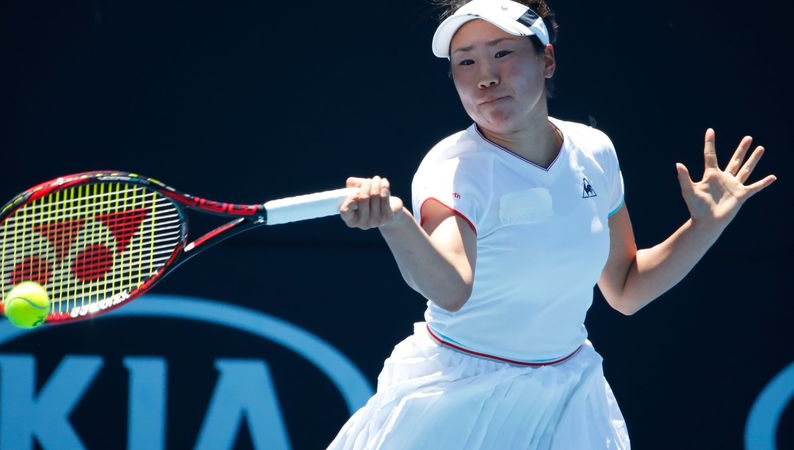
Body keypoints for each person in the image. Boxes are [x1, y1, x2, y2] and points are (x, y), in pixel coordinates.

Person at [329, 0, 777, 448]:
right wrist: (395, 222)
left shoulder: (594, 150)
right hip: (458, 392)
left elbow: (626, 287)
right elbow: (451, 289)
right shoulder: (452, 168)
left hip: (568, 394)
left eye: (502, 53)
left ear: (547, 60)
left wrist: (704, 227)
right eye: (466, 62)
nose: (486, 77)